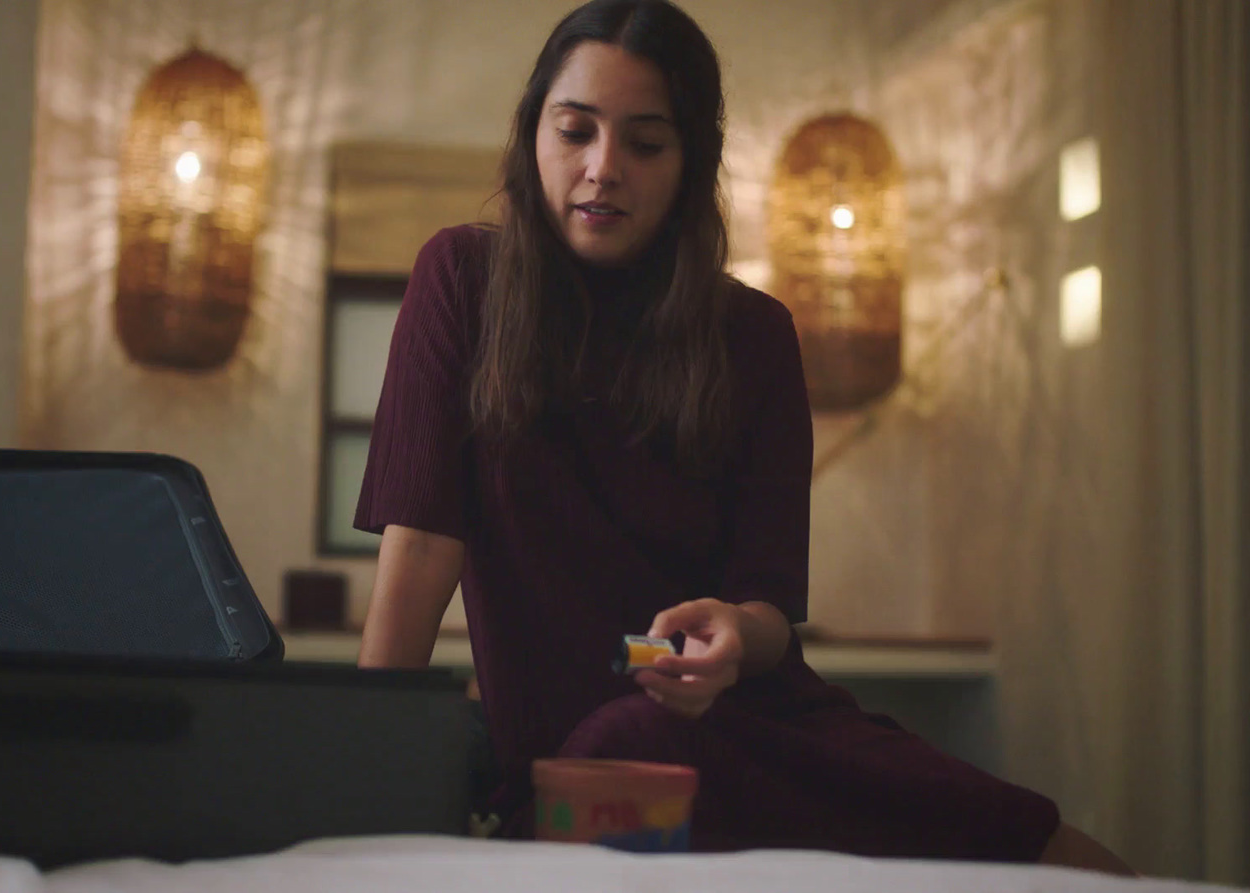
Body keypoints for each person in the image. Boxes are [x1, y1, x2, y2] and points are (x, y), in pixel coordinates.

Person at [354, 0, 1133, 875]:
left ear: (691, 164)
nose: (601, 168)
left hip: (759, 722)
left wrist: (732, 632)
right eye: (574, 130)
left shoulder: (754, 334)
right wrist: (363, 788)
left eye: (645, 144)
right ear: (533, 131)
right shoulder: (461, 279)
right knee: (625, 743)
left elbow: (768, 610)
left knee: (1042, 845)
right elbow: (420, 548)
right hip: (579, 755)